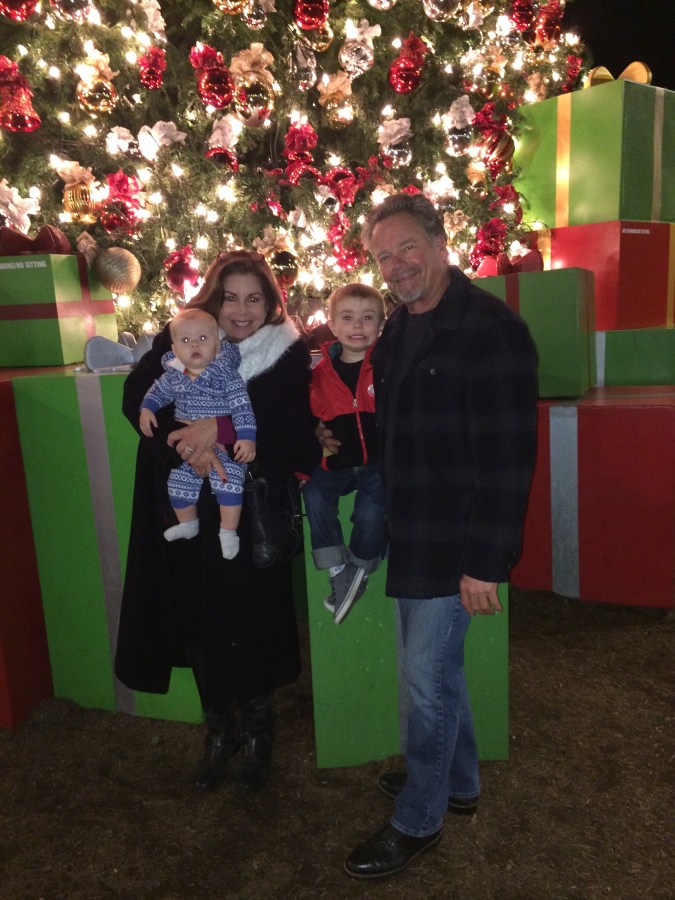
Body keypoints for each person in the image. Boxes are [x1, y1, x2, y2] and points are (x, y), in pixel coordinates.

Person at [330, 194, 539, 878]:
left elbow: (510, 459)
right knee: (435, 672)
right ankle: (458, 782)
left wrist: (486, 562)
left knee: (424, 683)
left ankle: (419, 817)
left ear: (441, 242)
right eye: (382, 256)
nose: (395, 266)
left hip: (456, 542)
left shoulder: (492, 331)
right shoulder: (398, 326)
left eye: (406, 249)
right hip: (412, 530)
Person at [115, 250, 320, 794]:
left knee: (250, 623)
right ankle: (219, 732)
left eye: (254, 298)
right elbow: (137, 399)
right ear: (212, 298)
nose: (241, 310)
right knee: (198, 618)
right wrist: (190, 443)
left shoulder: (286, 354)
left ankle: (258, 731)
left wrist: (221, 432)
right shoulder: (183, 337)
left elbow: (293, 433)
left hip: (246, 514)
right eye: (230, 297)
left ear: (271, 303)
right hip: (187, 508)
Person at [139, 308, 256, 559]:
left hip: (223, 446)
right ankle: (188, 524)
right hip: (188, 446)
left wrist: (246, 437)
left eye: (203, 338)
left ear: (217, 344)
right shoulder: (174, 374)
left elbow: (242, 407)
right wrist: (147, 408)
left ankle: (228, 531)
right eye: (185, 340)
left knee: (228, 482)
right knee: (177, 483)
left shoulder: (226, 374)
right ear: (174, 348)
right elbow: (157, 392)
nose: (194, 345)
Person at [303, 283, 387, 624]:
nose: (357, 326)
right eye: (348, 318)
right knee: (314, 494)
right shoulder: (319, 375)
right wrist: (314, 432)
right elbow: (306, 417)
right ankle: (338, 569)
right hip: (336, 462)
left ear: (380, 325)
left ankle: (360, 569)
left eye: (367, 318)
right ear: (333, 325)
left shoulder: (385, 367)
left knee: (373, 508)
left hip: (376, 464)